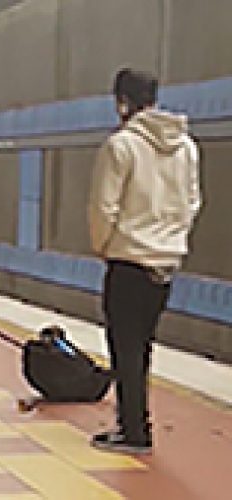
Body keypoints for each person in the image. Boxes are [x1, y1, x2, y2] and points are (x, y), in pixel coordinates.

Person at [88, 68, 202, 454]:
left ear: (122, 101)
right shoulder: (186, 147)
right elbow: (192, 202)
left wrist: (104, 246)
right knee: (143, 345)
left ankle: (134, 430)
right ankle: (135, 423)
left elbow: (104, 206)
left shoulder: (121, 146)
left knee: (125, 347)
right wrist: (172, 240)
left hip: (128, 260)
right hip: (165, 263)